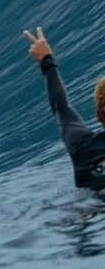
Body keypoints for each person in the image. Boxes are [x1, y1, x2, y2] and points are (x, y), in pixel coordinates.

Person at [24, 27, 105, 190]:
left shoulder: (82, 146)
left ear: (99, 115)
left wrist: (46, 60)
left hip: (87, 210)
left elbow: (61, 107)